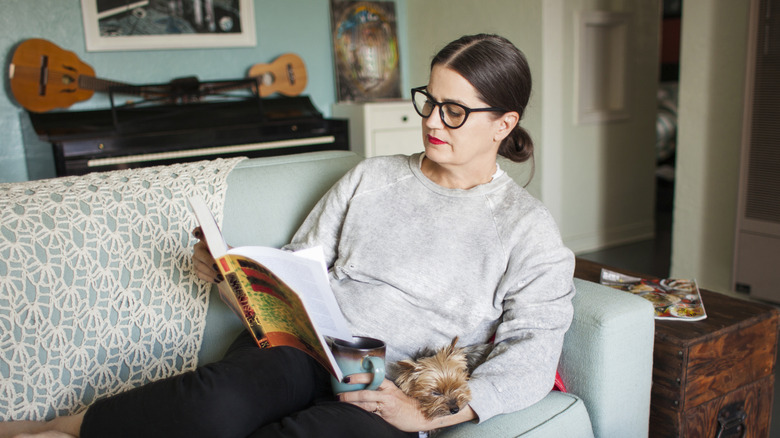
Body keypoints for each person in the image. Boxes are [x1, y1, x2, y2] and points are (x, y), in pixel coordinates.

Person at [1, 33, 574, 438]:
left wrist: (425, 414)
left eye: (454, 111)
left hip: (390, 388)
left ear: (504, 124)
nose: (430, 121)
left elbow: (533, 353)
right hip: (302, 351)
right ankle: (61, 428)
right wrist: (232, 278)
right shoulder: (372, 178)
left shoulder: (526, 229)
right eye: (429, 100)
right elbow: (299, 269)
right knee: (214, 405)